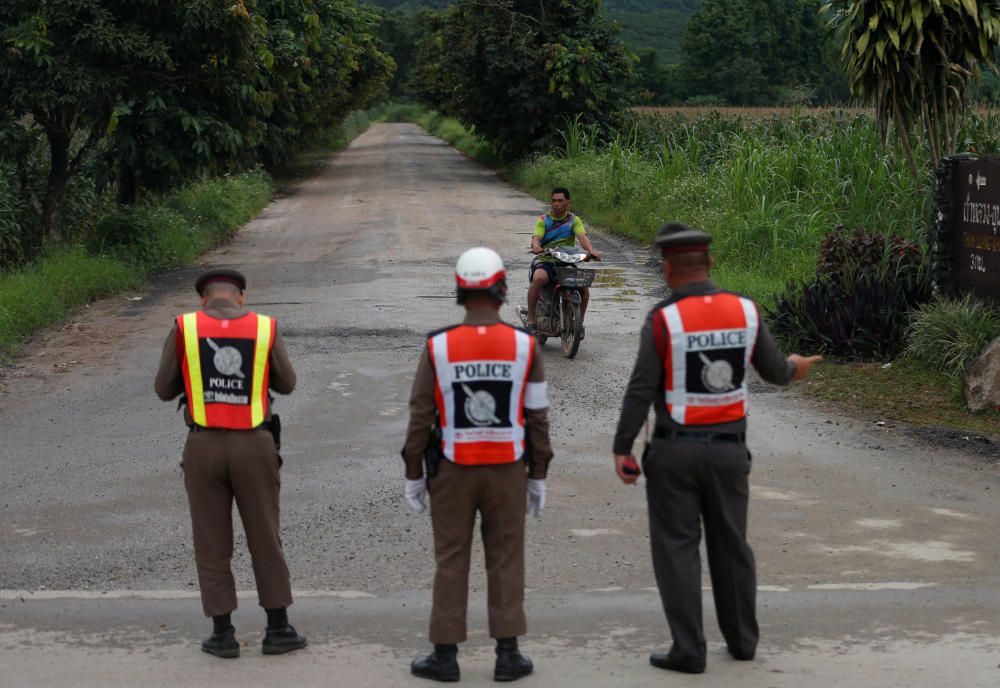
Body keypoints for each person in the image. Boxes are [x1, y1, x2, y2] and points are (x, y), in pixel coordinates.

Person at [611, 223, 821, 674]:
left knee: (677, 547)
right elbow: (774, 370)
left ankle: (689, 649)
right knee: (732, 546)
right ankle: (743, 641)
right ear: (710, 264)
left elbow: (641, 388)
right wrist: (796, 367)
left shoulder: (663, 319)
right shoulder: (745, 311)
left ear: (667, 269)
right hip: (729, 453)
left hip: (674, 453)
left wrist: (622, 448)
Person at [401, 247, 553, 682]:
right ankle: (508, 656)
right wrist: (538, 474)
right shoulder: (525, 347)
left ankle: (445, 657)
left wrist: (414, 472)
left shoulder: (438, 346)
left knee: (451, 558)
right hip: (508, 468)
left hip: (452, 469)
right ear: (504, 290)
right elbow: (537, 418)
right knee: (505, 557)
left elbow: (420, 417)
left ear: (459, 292)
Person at [154, 268, 307, 659]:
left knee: (211, 541)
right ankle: (279, 628)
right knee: (265, 536)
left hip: (203, 447)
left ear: (203, 298)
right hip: (255, 445)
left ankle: (222, 635)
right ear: (240, 296)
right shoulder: (264, 327)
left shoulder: (184, 327)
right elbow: (287, 384)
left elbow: (162, 389)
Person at [526, 187, 602, 334]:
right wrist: (536, 246)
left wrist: (591, 251)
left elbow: (582, 237)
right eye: (554, 201)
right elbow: (536, 237)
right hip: (546, 259)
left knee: (584, 289)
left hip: (566, 261)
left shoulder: (574, 220)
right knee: (538, 278)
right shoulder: (543, 220)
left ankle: (578, 324)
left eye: (560, 201)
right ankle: (530, 319)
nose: (556, 204)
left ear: (568, 202)